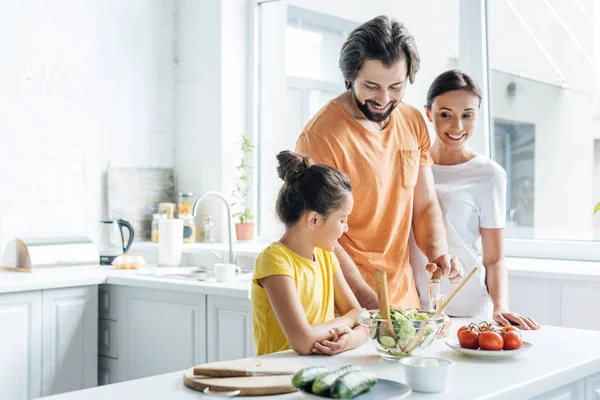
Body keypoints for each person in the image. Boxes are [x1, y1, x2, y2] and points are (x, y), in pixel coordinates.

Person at [296, 15, 462, 310]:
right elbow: (320, 236)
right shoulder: (321, 137)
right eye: (371, 85)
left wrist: (438, 254)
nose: (384, 99)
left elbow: (424, 205)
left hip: (403, 301)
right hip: (343, 305)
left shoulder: (413, 122)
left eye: (396, 87)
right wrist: (375, 309)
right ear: (350, 77)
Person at [409, 70, 539, 330]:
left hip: (468, 310)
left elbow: (494, 258)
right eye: (446, 114)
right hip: (414, 308)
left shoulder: (489, 175)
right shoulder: (411, 166)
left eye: (467, 115)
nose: (457, 127)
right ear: (428, 113)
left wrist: (500, 306)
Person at [251, 151, 369, 356]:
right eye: (342, 220)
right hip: (278, 376)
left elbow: (365, 322)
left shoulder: (325, 256)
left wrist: (348, 340)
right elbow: (303, 341)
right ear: (313, 220)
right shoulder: (275, 261)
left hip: (319, 369)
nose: (346, 228)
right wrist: (350, 320)